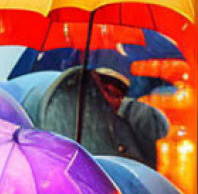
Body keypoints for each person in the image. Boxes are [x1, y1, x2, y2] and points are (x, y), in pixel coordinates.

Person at [38, 66, 170, 168]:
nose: (108, 99)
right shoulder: (70, 112)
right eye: (104, 91)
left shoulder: (140, 117)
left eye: (115, 94)